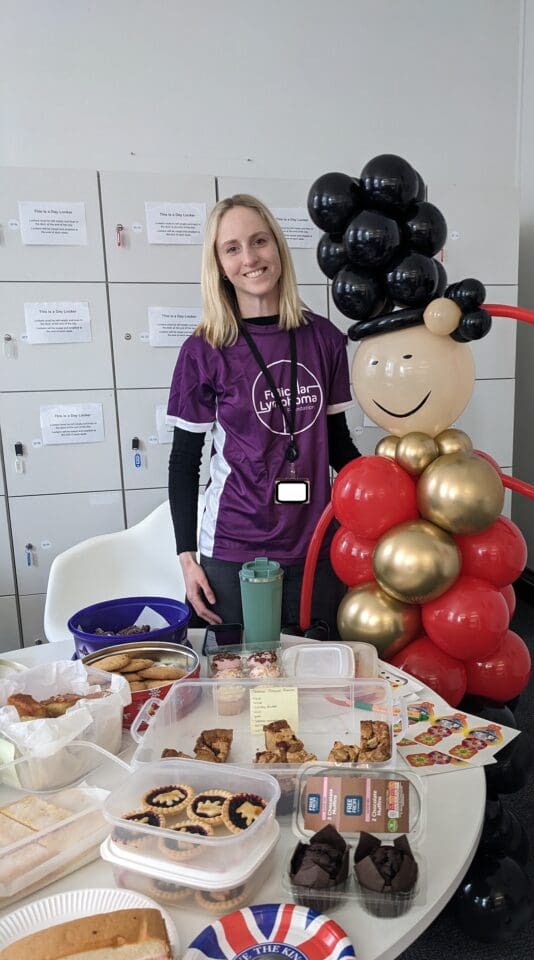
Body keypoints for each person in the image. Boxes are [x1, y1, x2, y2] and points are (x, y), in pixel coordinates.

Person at [166, 194, 360, 633]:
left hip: (315, 544)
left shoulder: (325, 339)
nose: (250, 258)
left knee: (311, 684)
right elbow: (184, 461)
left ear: (278, 247)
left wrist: (390, 491)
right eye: (232, 248)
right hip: (233, 546)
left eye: (259, 241)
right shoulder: (204, 350)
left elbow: (339, 444)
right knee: (237, 685)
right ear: (218, 264)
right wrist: (186, 559)